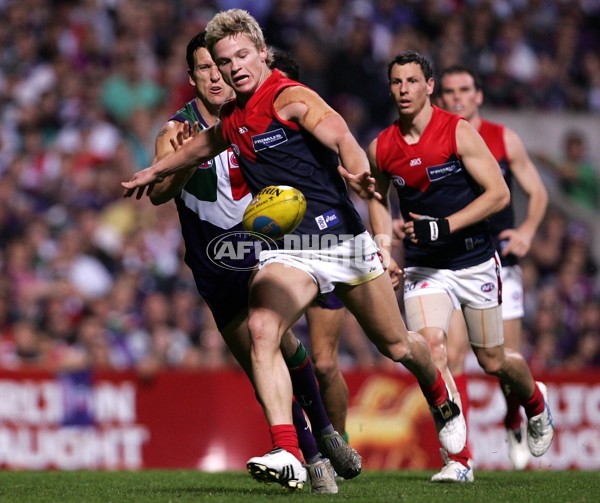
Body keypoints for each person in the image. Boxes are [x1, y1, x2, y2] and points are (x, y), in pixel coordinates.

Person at [122, 10, 466, 491]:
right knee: (263, 328)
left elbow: (341, 134)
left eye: (242, 55)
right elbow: (202, 147)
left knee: (396, 346)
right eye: (224, 61)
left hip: (339, 241)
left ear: (262, 53)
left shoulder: (290, 96)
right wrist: (153, 171)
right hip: (289, 249)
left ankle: (437, 392)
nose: (234, 67)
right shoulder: (233, 115)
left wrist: (354, 169)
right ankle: (288, 448)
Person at [144, 31, 360, 494]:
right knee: (265, 364)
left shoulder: (256, 112)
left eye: (218, 66)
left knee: (290, 348)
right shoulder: (175, 130)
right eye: (203, 68)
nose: (215, 76)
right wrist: (181, 160)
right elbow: (160, 193)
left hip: (274, 251)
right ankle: (317, 443)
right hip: (216, 266)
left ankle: (317, 447)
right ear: (193, 78)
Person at [367, 50, 554, 484]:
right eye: (396, 82)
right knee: (433, 350)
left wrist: (443, 226)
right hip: (425, 269)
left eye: (413, 81)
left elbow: (499, 195)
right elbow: (377, 198)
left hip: (474, 262)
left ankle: (535, 403)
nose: (404, 90)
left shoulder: (459, 132)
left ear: (428, 86)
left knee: (493, 361)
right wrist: (384, 249)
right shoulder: (381, 146)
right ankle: (459, 460)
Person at [437, 64, 549, 474]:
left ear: (478, 95)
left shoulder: (504, 139)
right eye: (449, 91)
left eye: (464, 89)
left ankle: (514, 419)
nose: (457, 98)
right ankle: (459, 456)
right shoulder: (437, 138)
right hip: (455, 259)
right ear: (440, 97)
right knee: (450, 355)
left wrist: (528, 231)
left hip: (502, 260)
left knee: (503, 361)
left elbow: (537, 191)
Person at [270, 48, 350, 441]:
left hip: (325, 244)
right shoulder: (247, 127)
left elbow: (347, 149)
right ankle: (294, 443)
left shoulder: (310, 118)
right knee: (267, 343)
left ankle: (340, 443)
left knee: (323, 363)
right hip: (279, 252)